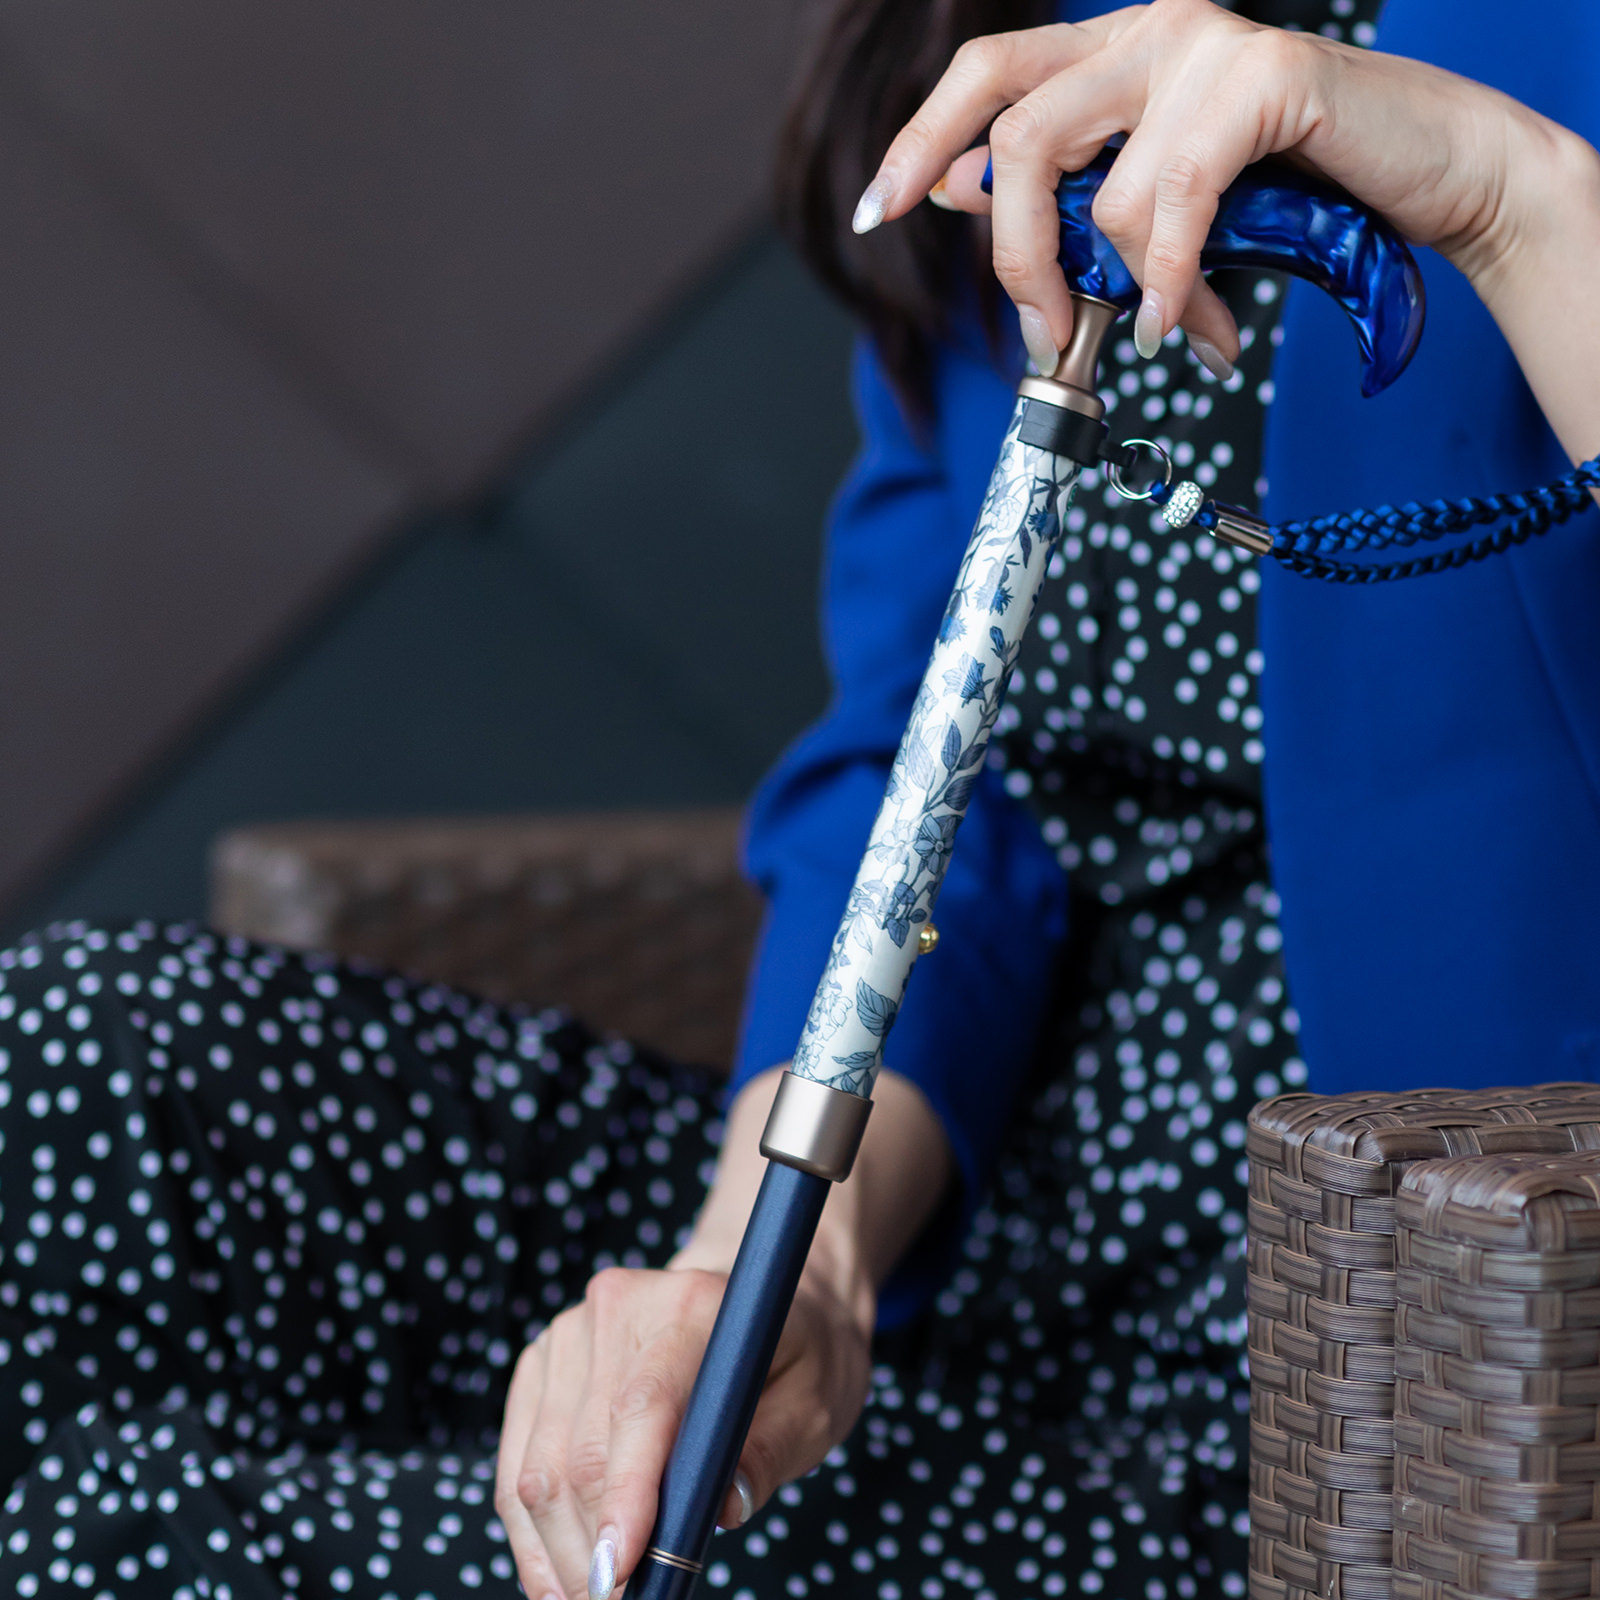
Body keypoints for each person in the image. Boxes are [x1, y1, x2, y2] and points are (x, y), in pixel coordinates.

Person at [3, 2, 1598, 1598]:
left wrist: (1512, 197)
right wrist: (786, 1261)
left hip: (1360, 1375)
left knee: (129, 1553)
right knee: (70, 1073)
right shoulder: (1020, 49)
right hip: (961, 1211)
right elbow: (933, 776)